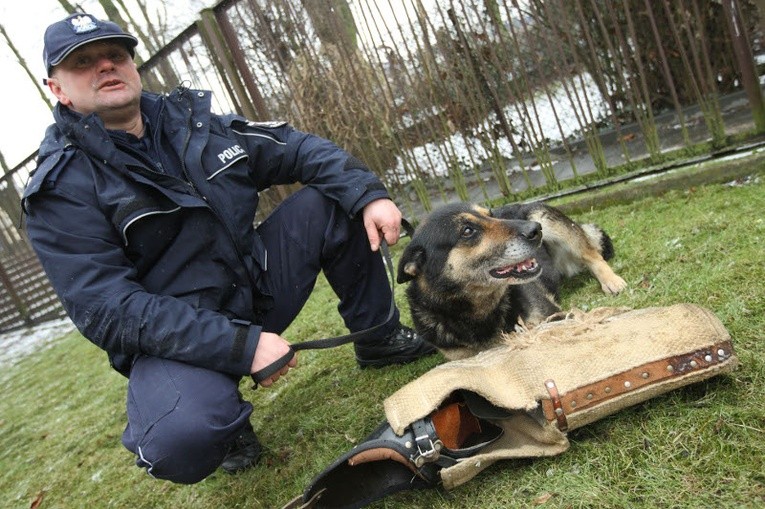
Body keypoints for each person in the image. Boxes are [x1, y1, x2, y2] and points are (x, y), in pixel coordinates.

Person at [23, 13, 435, 484]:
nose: (106, 67)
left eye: (115, 55)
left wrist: (370, 194)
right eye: (83, 62)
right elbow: (109, 310)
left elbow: (296, 149)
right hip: (176, 340)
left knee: (335, 197)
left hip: (253, 288)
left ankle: (378, 337)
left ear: (133, 66)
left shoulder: (191, 125)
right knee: (180, 441)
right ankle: (224, 425)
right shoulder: (61, 189)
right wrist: (239, 346)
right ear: (57, 89)